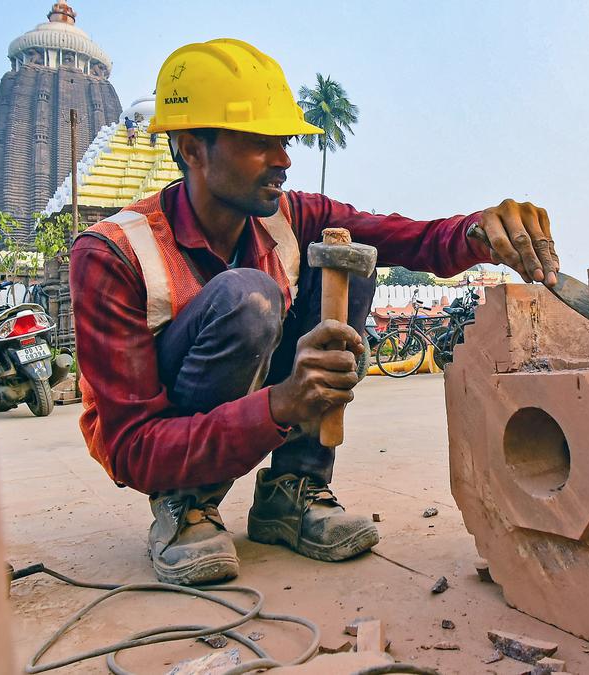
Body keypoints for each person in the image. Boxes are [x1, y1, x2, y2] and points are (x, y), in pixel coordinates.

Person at [70, 38, 559, 586]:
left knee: (347, 260)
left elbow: (413, 240)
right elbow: (131, 447)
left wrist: (480, 231)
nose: (283, 158)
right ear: (191, 148)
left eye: (282, 140)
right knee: (247, 298)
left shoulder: (292, 216)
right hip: (165, 439)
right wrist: (280, 404)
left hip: (263, 399)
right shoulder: (112, 254)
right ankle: (187, 506)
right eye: (259, 141)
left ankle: (292, 490)